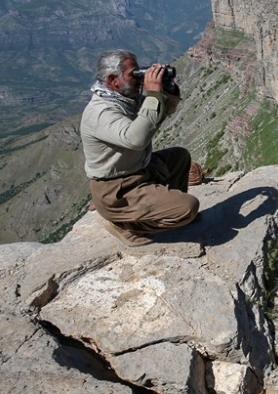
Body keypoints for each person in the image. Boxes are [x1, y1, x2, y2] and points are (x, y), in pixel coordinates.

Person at [80, 49, 199, 246]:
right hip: (118, 190)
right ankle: (126, 225)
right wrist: (152, 93)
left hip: (140, 170)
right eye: (133, 74)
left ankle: (167, 209)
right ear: (113, 80)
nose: (139, 78)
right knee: (189, 207)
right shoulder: (101, 112)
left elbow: (161, 110)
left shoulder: (125, 100)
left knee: (179, 156)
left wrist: (165, 88)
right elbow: (136, 139)